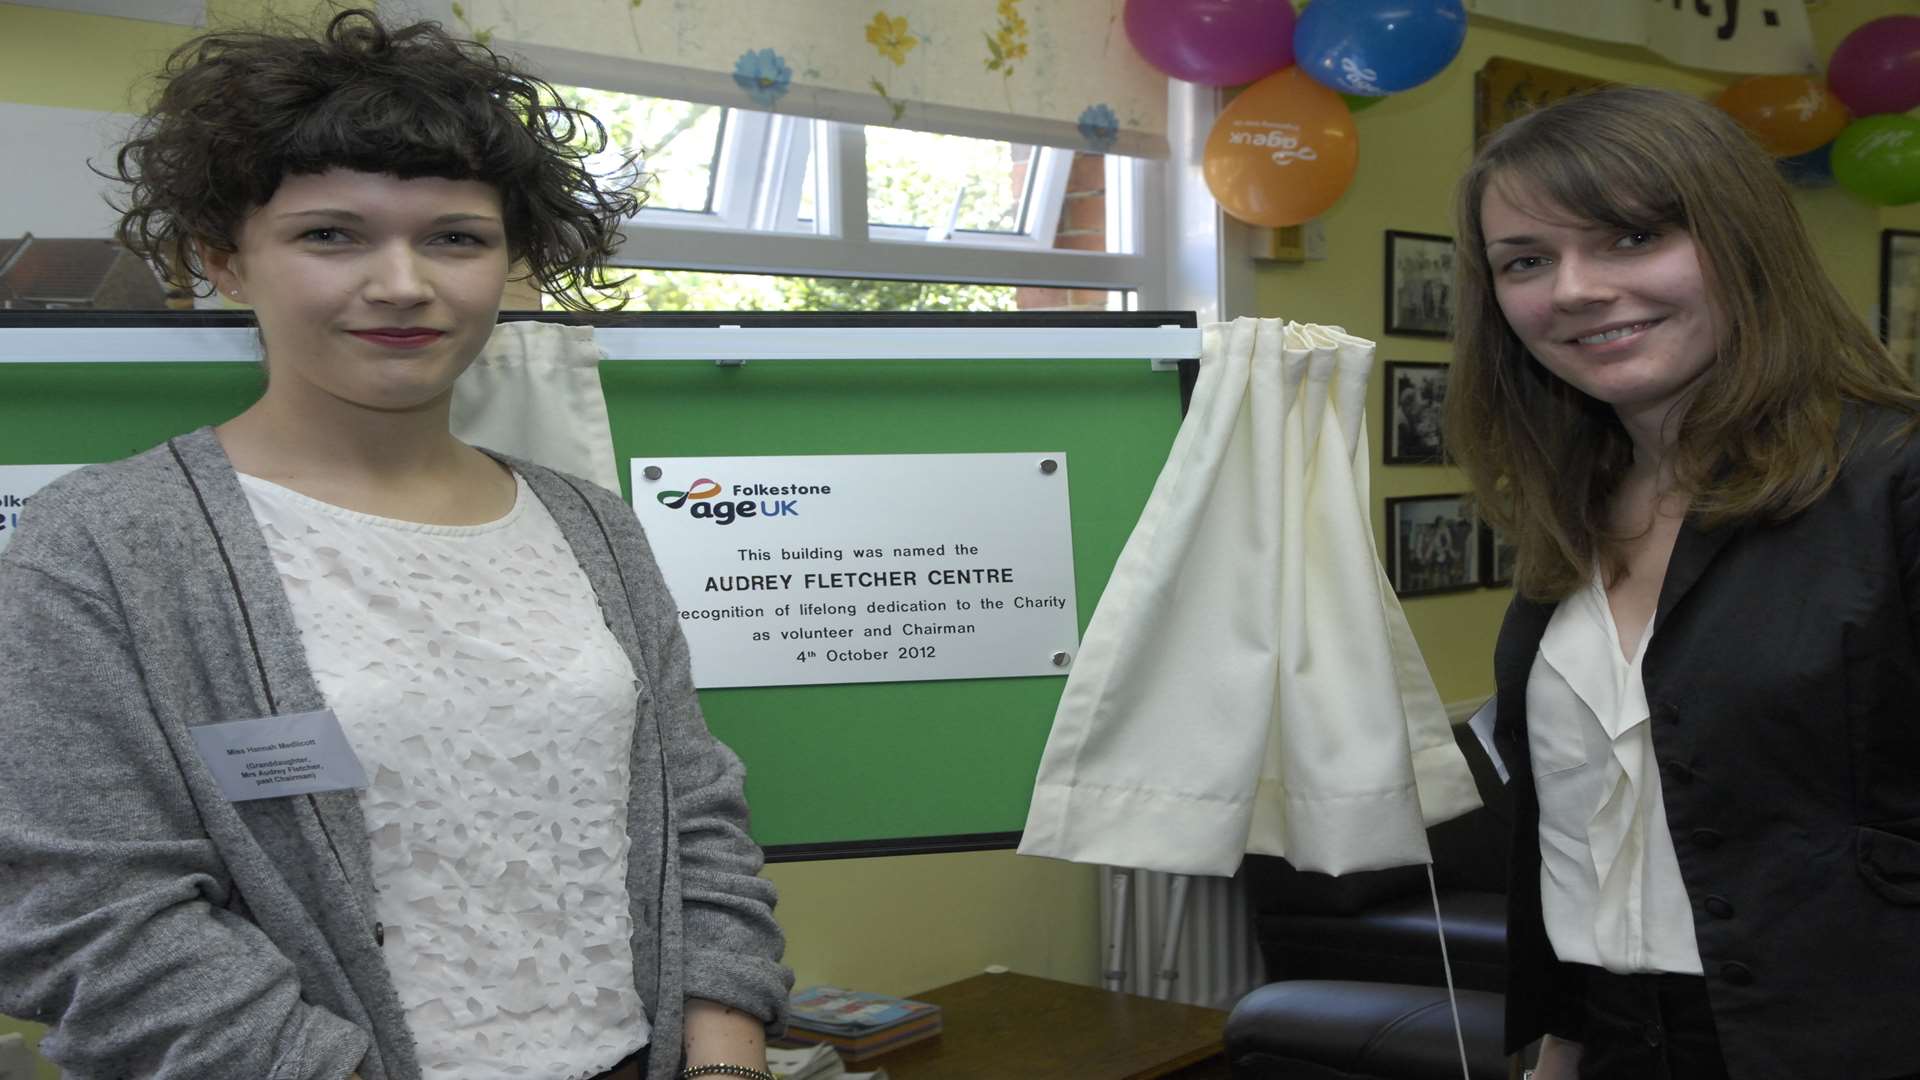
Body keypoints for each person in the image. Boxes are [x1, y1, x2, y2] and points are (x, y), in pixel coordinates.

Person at [0, 10, 790, 1080]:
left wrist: (726, 1052)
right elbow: (91, 911)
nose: (404, 283)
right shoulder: (100, 546)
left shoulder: (589, 525)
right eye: (331, 234)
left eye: (455, 238)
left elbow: (694, 814)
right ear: (223, 259)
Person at [1446, 85, 1920, 1080]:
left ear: (1744, 244)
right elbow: (1583, 836)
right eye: (1526, 261)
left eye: (1629, 238)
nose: (1571, 289)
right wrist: (1559, 1050)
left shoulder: (1894, 482)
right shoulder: (1573, 508)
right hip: (1618, 1037)